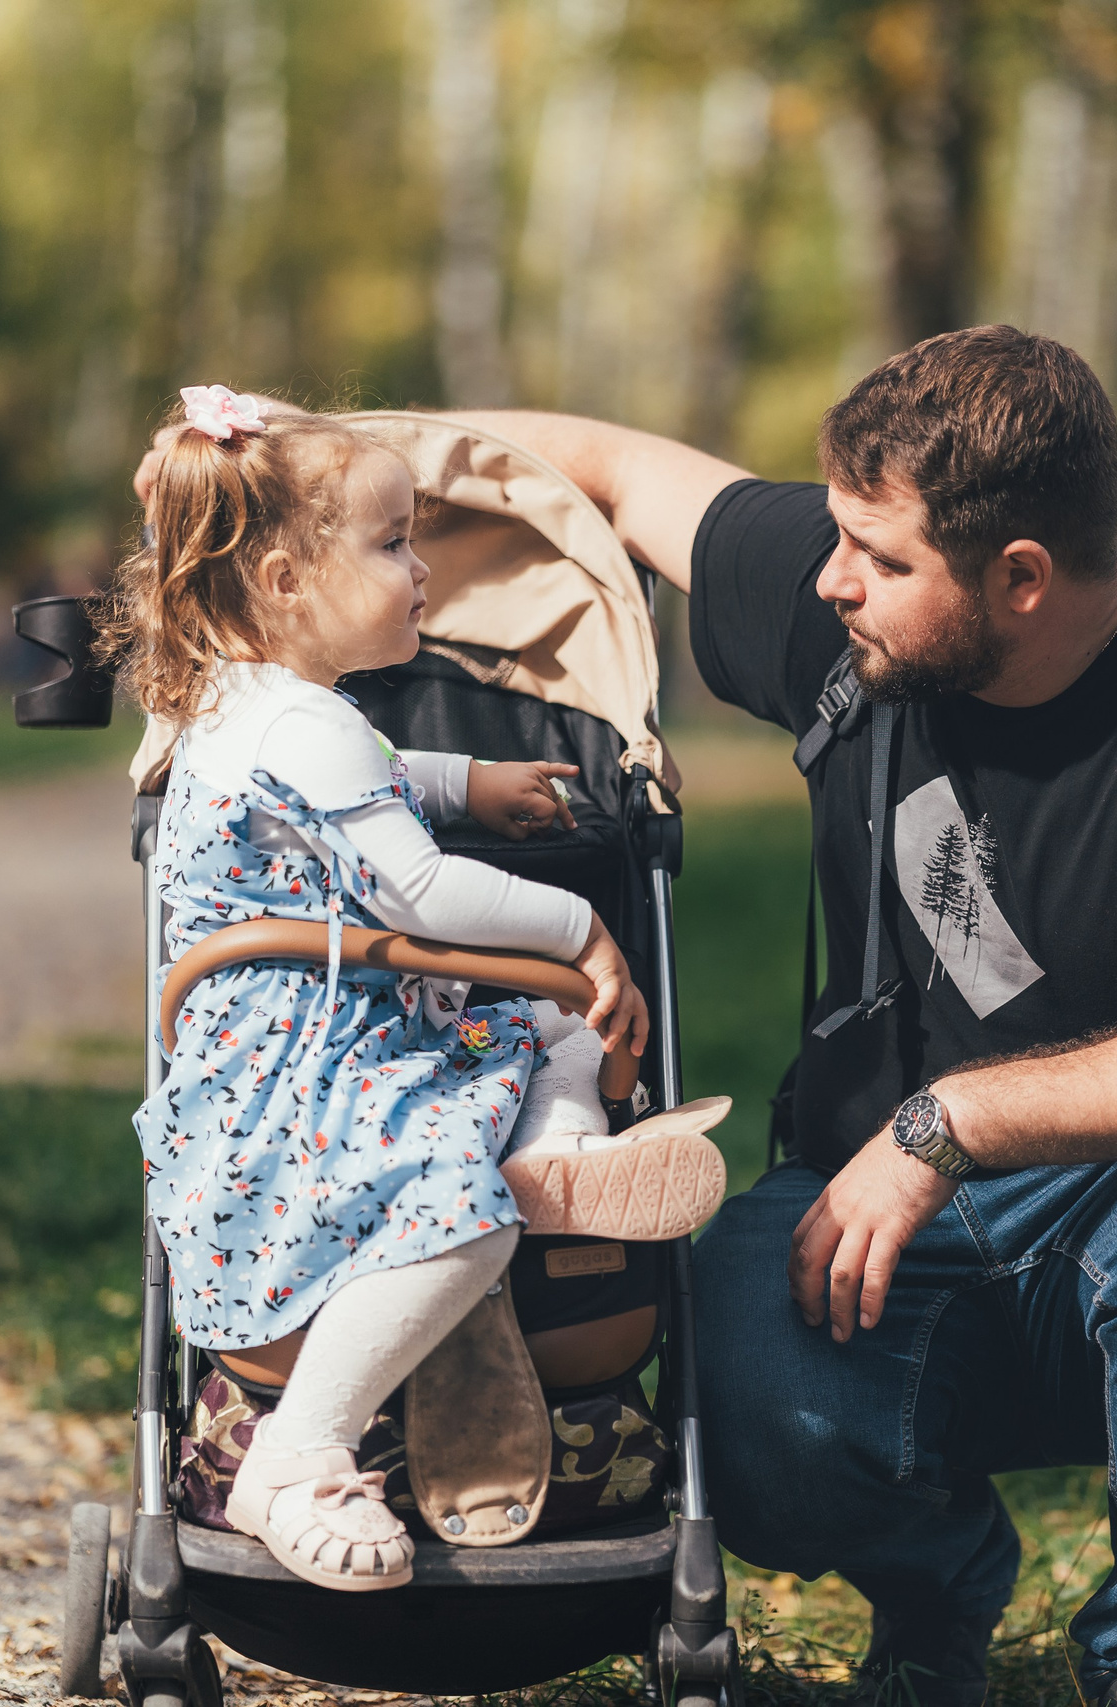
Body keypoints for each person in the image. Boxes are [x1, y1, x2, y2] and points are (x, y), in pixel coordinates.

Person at [431, 328, 1117, 1707]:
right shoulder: (858, 613)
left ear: (1020, 577)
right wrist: (309, 453)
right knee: (733, 1371)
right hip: (878, 1232)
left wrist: (947, 1123)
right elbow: (602, 471)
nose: (832, 581)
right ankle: (942, 1595)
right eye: (835, 536)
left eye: (878, 560)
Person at [114, 386, 724, 1591]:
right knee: (475, 1199)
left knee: (533, 1025)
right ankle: (299, 1454)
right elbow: (421, 898)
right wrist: (579, 926)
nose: (421, 571)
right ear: (288, 582)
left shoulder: (239, 704)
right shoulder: (311, 730)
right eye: (393, 544)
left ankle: (558, 1141)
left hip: (270, 1051)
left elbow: (374, 772)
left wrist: (470, 781)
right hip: (319, 1068)